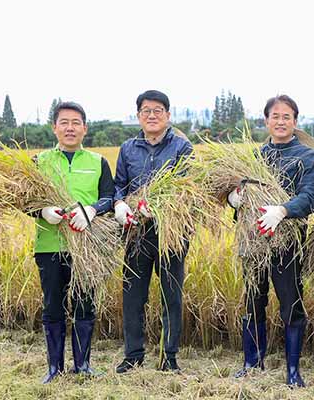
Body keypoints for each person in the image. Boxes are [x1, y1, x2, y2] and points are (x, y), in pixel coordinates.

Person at [227, 95, 314, 387]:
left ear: (295, 121)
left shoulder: (308, 157)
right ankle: (252, 363)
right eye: (275, 116)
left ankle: (293, 371)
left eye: (287, 117)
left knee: (291, 304)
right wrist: (234, 200)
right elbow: (237, 195)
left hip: (288, 243)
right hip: (254, 240)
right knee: (253, 301)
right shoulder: (253, 158)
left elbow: (309, 197)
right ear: (266, 120)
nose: (281, 122)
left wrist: (283, 210)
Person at [114, 90, 193, 373]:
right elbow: (119, 185)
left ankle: (168, 356)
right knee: (133, 296)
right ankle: (133, 355)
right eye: (146, 110)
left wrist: (159, 207)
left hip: (171, 232)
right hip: (136, 232)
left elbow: (188, 188)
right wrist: (120, 203)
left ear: (168, 116)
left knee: (171, 295)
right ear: (138, 116)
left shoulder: (182, 147)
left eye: (157, 110)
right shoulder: (127, 148)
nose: (151, 115)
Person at [35, 101, 114, 383]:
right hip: (49, 245)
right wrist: (42, 212)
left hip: (87, 248)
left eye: (75, 122)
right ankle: (53, 368)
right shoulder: (40, 161)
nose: (70, 127)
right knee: (52, 306)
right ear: (54, 127)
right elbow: (26, 200)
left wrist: (91, 210)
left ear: (85, 128)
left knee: (85, 304)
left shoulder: (97, 162)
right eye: (64, 122)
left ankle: (82, 365)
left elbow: (109, 197)